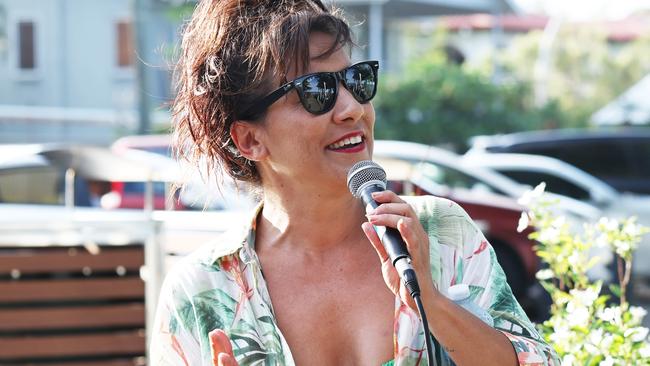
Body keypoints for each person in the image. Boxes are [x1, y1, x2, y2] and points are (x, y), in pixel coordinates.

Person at [150, 1, 560, 365]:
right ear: (250, 139)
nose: (351, 109)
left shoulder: (439, 232)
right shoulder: (203, 289)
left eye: (356, 80)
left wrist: (432, 303)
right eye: (316, 91)